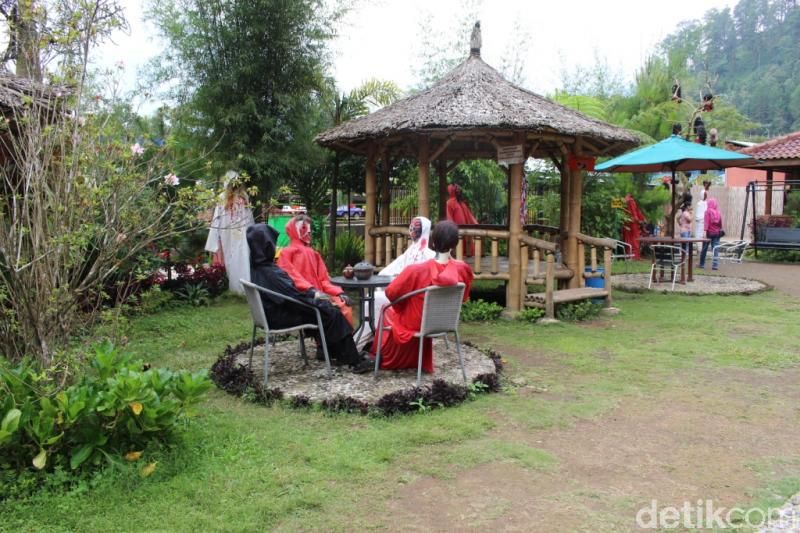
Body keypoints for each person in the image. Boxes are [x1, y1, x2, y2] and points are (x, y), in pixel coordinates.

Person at [246, 223, 372, 373]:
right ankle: (354, 361)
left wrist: (315, 297)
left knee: (326, 310)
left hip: (272, 312)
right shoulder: (269, 272)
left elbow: (291, 291)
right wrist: (315, 297)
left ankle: (336, 353)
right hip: (280, 315)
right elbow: (292, 295)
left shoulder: (257, 265)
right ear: (267, 245)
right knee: (331, 312)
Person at [370, 220, 474, 373]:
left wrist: (404, 304)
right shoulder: (463, 269)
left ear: (433, 241)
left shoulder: (416, 270)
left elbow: (391, 293)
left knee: (387, 309)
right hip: (446, 323)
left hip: (416, 323)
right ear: (455, 244)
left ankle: (381, 356)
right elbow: (464, 297)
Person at [277, 214, 354, 326]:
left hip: (319, 296)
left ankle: (342, 342)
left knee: (344, 306)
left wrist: (338, 292)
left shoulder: (314, 254)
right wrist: (311, 290)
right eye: (304, 228)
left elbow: (324, 279)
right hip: (302, 299)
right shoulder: (287, 253)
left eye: (309, 228)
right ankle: (329, 341)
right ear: (293, 229)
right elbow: (290, 277)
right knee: (334, 312)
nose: (308, 231)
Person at [204, 171, 255, 294]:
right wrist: (214, 238)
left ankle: (244, 289)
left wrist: (251, 234)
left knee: (242, 258)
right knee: (231, 259)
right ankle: (235, 288)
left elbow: (249, 217)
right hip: (229, 233)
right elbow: (217, 218)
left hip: (242, 233)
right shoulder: (223, 198)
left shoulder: (244, 197)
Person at [445, 183, 478, 255]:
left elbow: (470, 216)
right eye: (457, 189)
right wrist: (452, 231)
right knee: (459, 252)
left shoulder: (462, 203)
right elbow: (449, 218)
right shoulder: (449, 203)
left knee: (467, 253)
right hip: (457, 232)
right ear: (453, 191)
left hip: (466, 233)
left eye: (459, 190)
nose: (459, 191)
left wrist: (477, 225)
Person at [699, 198, 723, 270]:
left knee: (704, 249)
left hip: (709, 233)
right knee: (715, 249)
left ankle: (702, 264)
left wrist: (704, 232)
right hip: (716, 233)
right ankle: (715, 265)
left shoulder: (707, 212)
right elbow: (720, 224)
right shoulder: (718, 212)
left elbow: (706, 223)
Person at [621, 194, 646, 259]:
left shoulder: (623, 201)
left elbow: (637, 212)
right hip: (633, 223)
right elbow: (635, 213)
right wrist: (640, 220)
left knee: (628, 240)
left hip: (627, 222)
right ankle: (634, 256)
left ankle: (629, 256)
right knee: (634, 240)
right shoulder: (631, 201)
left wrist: (641, 219)